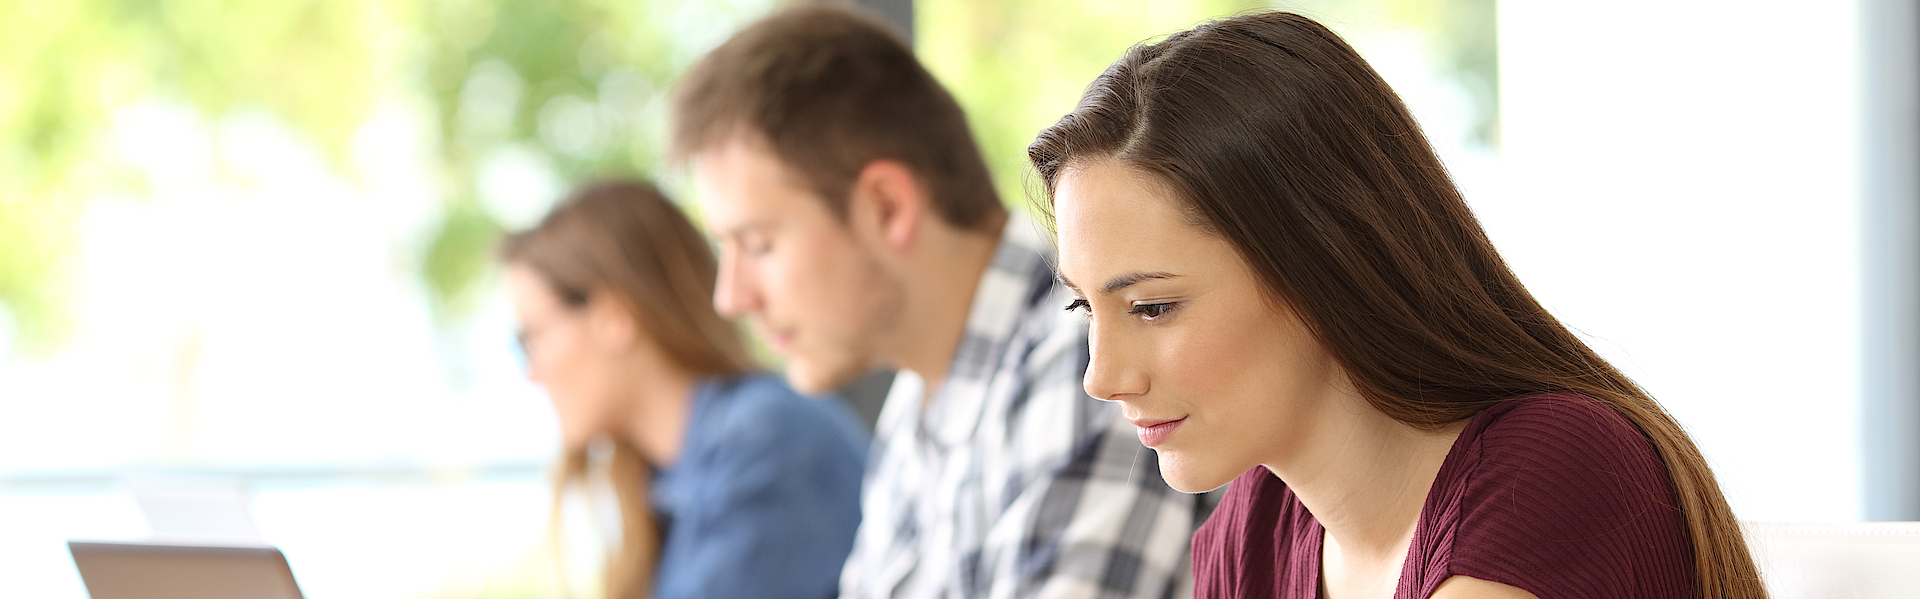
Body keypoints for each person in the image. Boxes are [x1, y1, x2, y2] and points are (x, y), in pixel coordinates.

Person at [1029, 11, 1767, 599]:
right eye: (1086, 308)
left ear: (1322, 263)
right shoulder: (1250, 529)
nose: (1103, 376)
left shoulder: (1552, 468)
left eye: (1153, 307)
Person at [668, 3, 1216, 598]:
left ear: (888, 207)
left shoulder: (1087, 367)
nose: (731, 296)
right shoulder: (919, 405)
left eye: (757, 244)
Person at [498, 179, 868, 599]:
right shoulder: (665, 484)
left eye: (530, 339)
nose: (531, 372)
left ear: (614, 318)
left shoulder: (768, 442)